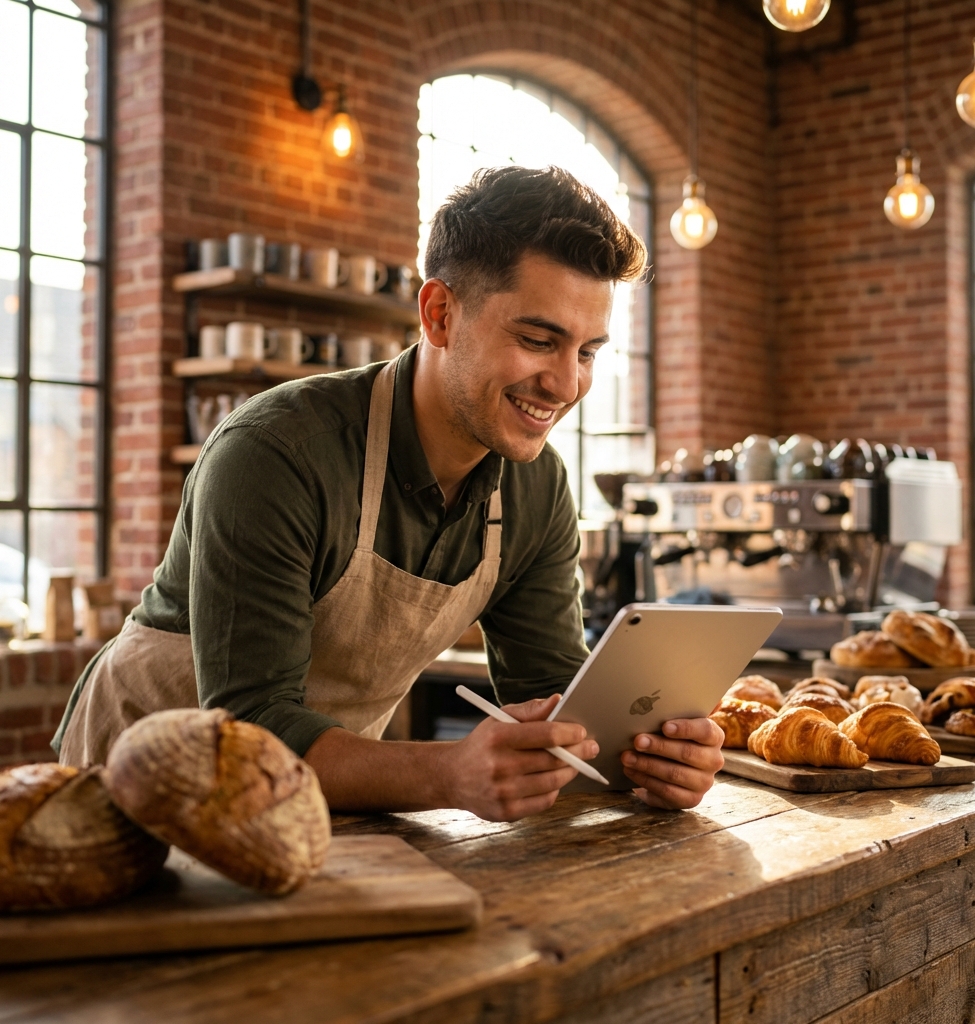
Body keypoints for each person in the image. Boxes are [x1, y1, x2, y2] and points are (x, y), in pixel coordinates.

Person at [53, 166, 725, 819]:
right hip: (133, 782)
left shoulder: (536, 485)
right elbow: (250, 728)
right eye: (536, 340)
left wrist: (641, 758)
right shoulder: (276, 452)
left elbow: (552, 697)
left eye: (586, 352)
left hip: (320, 802)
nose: (566, 383)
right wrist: (449, 773)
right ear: (438, 314)